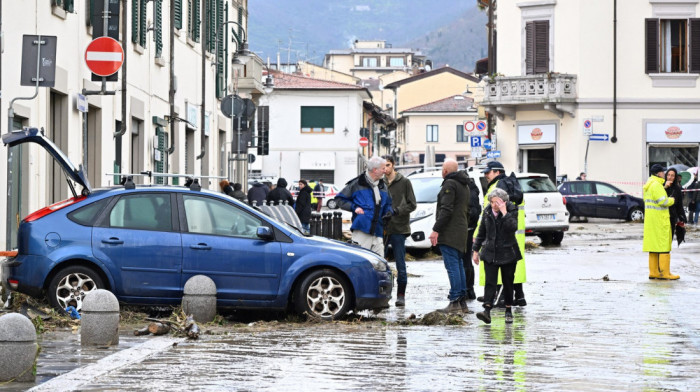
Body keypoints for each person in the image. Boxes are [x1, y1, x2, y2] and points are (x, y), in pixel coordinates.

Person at [475, 161, 527, 307]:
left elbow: (488, 215)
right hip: (515, 232)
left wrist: (478, 235)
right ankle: (519, 296)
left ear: (498, 172)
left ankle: (500, 298)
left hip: (503, 230)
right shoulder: (511, 184)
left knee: (500, 266)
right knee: (513, 267)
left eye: (488, 172)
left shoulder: (498, 188)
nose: (486, 175)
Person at [473, 188, 521, 324]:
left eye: (498, 202)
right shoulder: (487, 211)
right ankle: (487, 310)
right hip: (490, 252)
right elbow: (482, 231)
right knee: (490, 282)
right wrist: (476, 250)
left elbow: (512, 227)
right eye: (493, 202)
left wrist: (505, 212)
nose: (495, 205)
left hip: (508, 253)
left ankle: (508, 310)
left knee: (508, 282)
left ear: (505, 202)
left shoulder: (512, 210)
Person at [429, 159, 470, 313]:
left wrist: (436, 230)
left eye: (442, 168)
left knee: (452, 266)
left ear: (445, 171)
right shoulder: (464, 184)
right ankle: (462, 303)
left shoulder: (450, 184)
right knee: (459, 265)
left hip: (450, 232)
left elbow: (446, 209)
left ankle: (454, 302)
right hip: (461, 230)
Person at [335, 156, 393, 256]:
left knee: (379, 264)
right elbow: (339, 199)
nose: (385, 170)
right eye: (383, 168)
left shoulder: (383, 186)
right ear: (375, 170)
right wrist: (354, 207)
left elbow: (388, 203)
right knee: (360, 262)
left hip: (378, 231)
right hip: (361, 230)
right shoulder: (356, 184)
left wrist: (389, 211)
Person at [382, 155, 417, 307]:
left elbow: (412, 204)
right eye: (383, 166)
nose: (385, 169)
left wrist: (397, 211)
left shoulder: (404, 182)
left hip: (399, 227)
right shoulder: (379, 182)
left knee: (400, 264)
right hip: (382, 228)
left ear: (394, 165)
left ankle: (401, 295)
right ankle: (383, 295)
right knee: (380, 263)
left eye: (388, 165)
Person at [644, 164, 677, 279]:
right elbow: (662, 201)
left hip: (651, 221)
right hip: (660, 220)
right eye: (663, 172)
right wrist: (672, 200)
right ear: (658, 173)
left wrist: (664, 188)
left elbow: (652, 198)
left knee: (653, 248)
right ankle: (665, 273)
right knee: (664, 247)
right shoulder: (657, 185)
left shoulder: (649, 185)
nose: (664, 173)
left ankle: (653, 272)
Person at [462, 174, 482, 300]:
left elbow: (473, 211)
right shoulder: (473, 189)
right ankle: (470, 289)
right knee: (467, 260)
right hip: (470, 228)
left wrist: (467, 224)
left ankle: (468, 289)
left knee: (465, 260)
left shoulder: (468, 190)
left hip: (467, 229)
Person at [664, 168, 687, 239]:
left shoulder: (677, 188)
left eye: (672, 175)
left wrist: (682, 219)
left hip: (672, 217)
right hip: (661, 217)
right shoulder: (661, 186)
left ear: (675, 177)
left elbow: (679, 205)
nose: (670, 177)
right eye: (668, 175)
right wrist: (665, 187)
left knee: (669, 239)